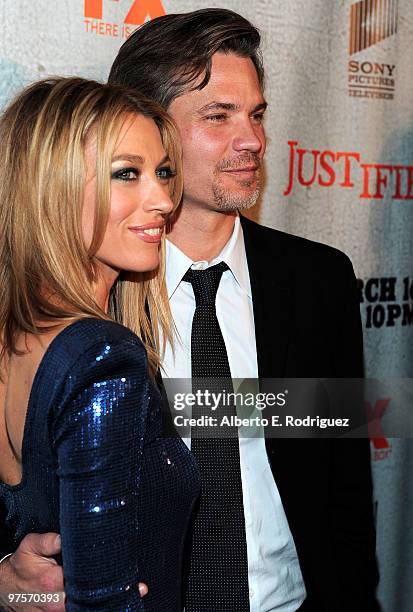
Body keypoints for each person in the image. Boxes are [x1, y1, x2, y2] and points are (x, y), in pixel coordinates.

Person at [0, 8, 379, 612]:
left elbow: (345, 491)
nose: (252, 138)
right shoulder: (87, 305)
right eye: (218, 116)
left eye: (256, 114)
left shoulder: (318, 281)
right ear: (151, 127)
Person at [0, 77, 200, 611]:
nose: (163, 200)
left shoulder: (17, 337)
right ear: (51, 187)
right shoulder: (100, 358)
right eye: (126, 174)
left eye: (162, 172)